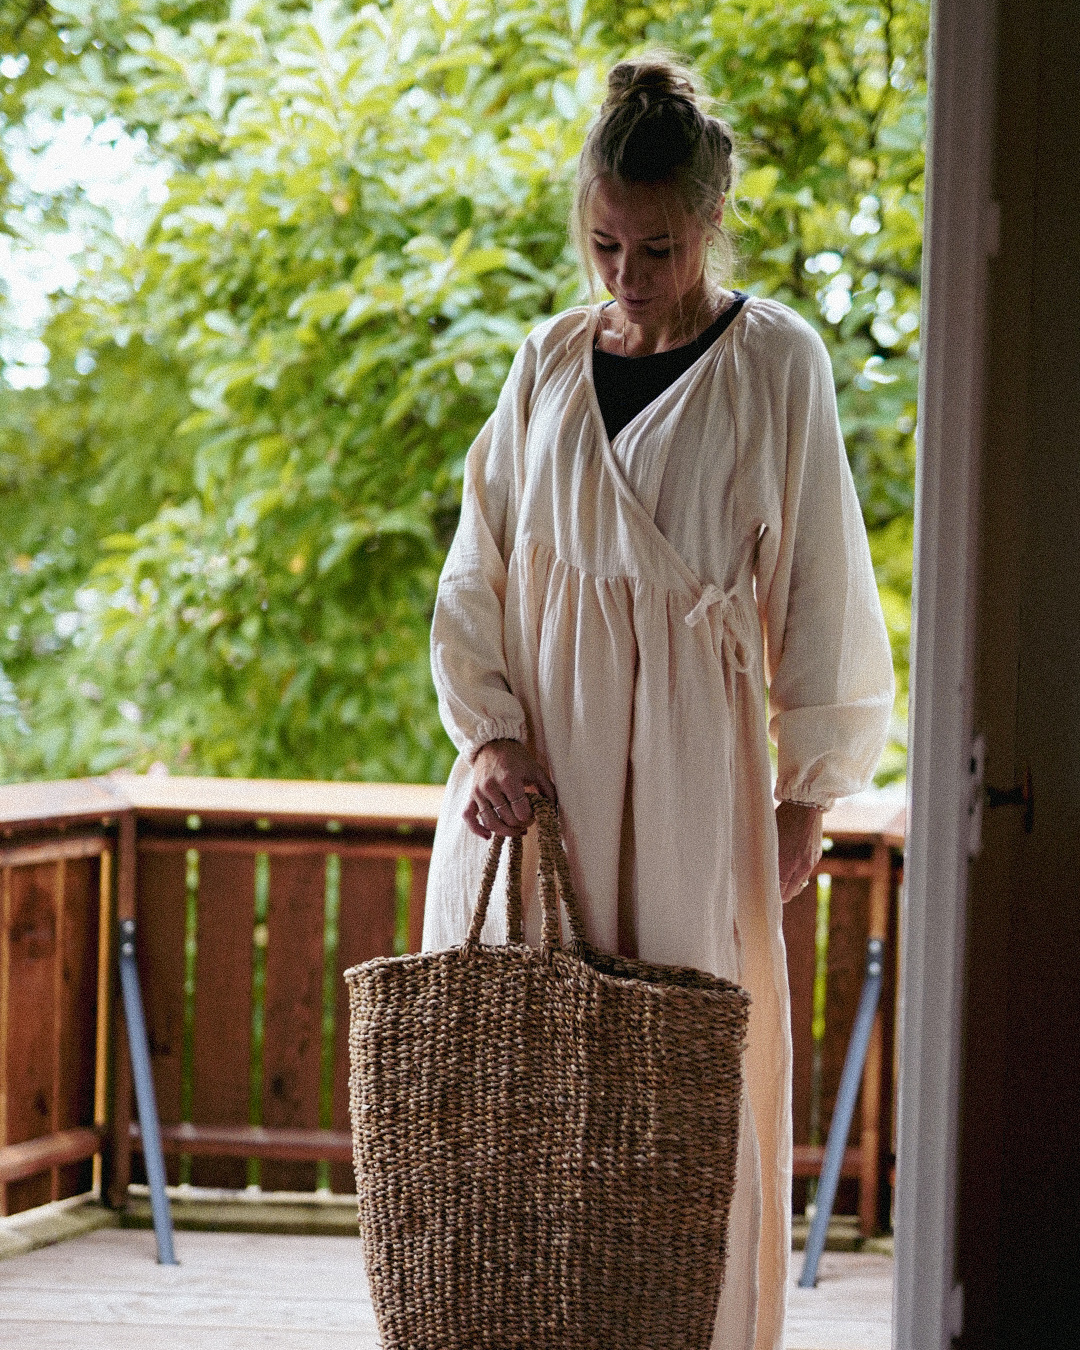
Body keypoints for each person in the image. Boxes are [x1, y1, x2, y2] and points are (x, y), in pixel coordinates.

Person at [422, 53, 894, 1350]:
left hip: (696, 764)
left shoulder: (775, 361)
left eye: (659, 248)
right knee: (534, 1071)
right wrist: (490, 732)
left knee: (682, 1074)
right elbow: (479, 560)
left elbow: (821, 582)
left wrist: (807, 792)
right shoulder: (545, 361)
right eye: (605, 245)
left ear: (710, 222)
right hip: (547, 769)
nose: (627, 274)